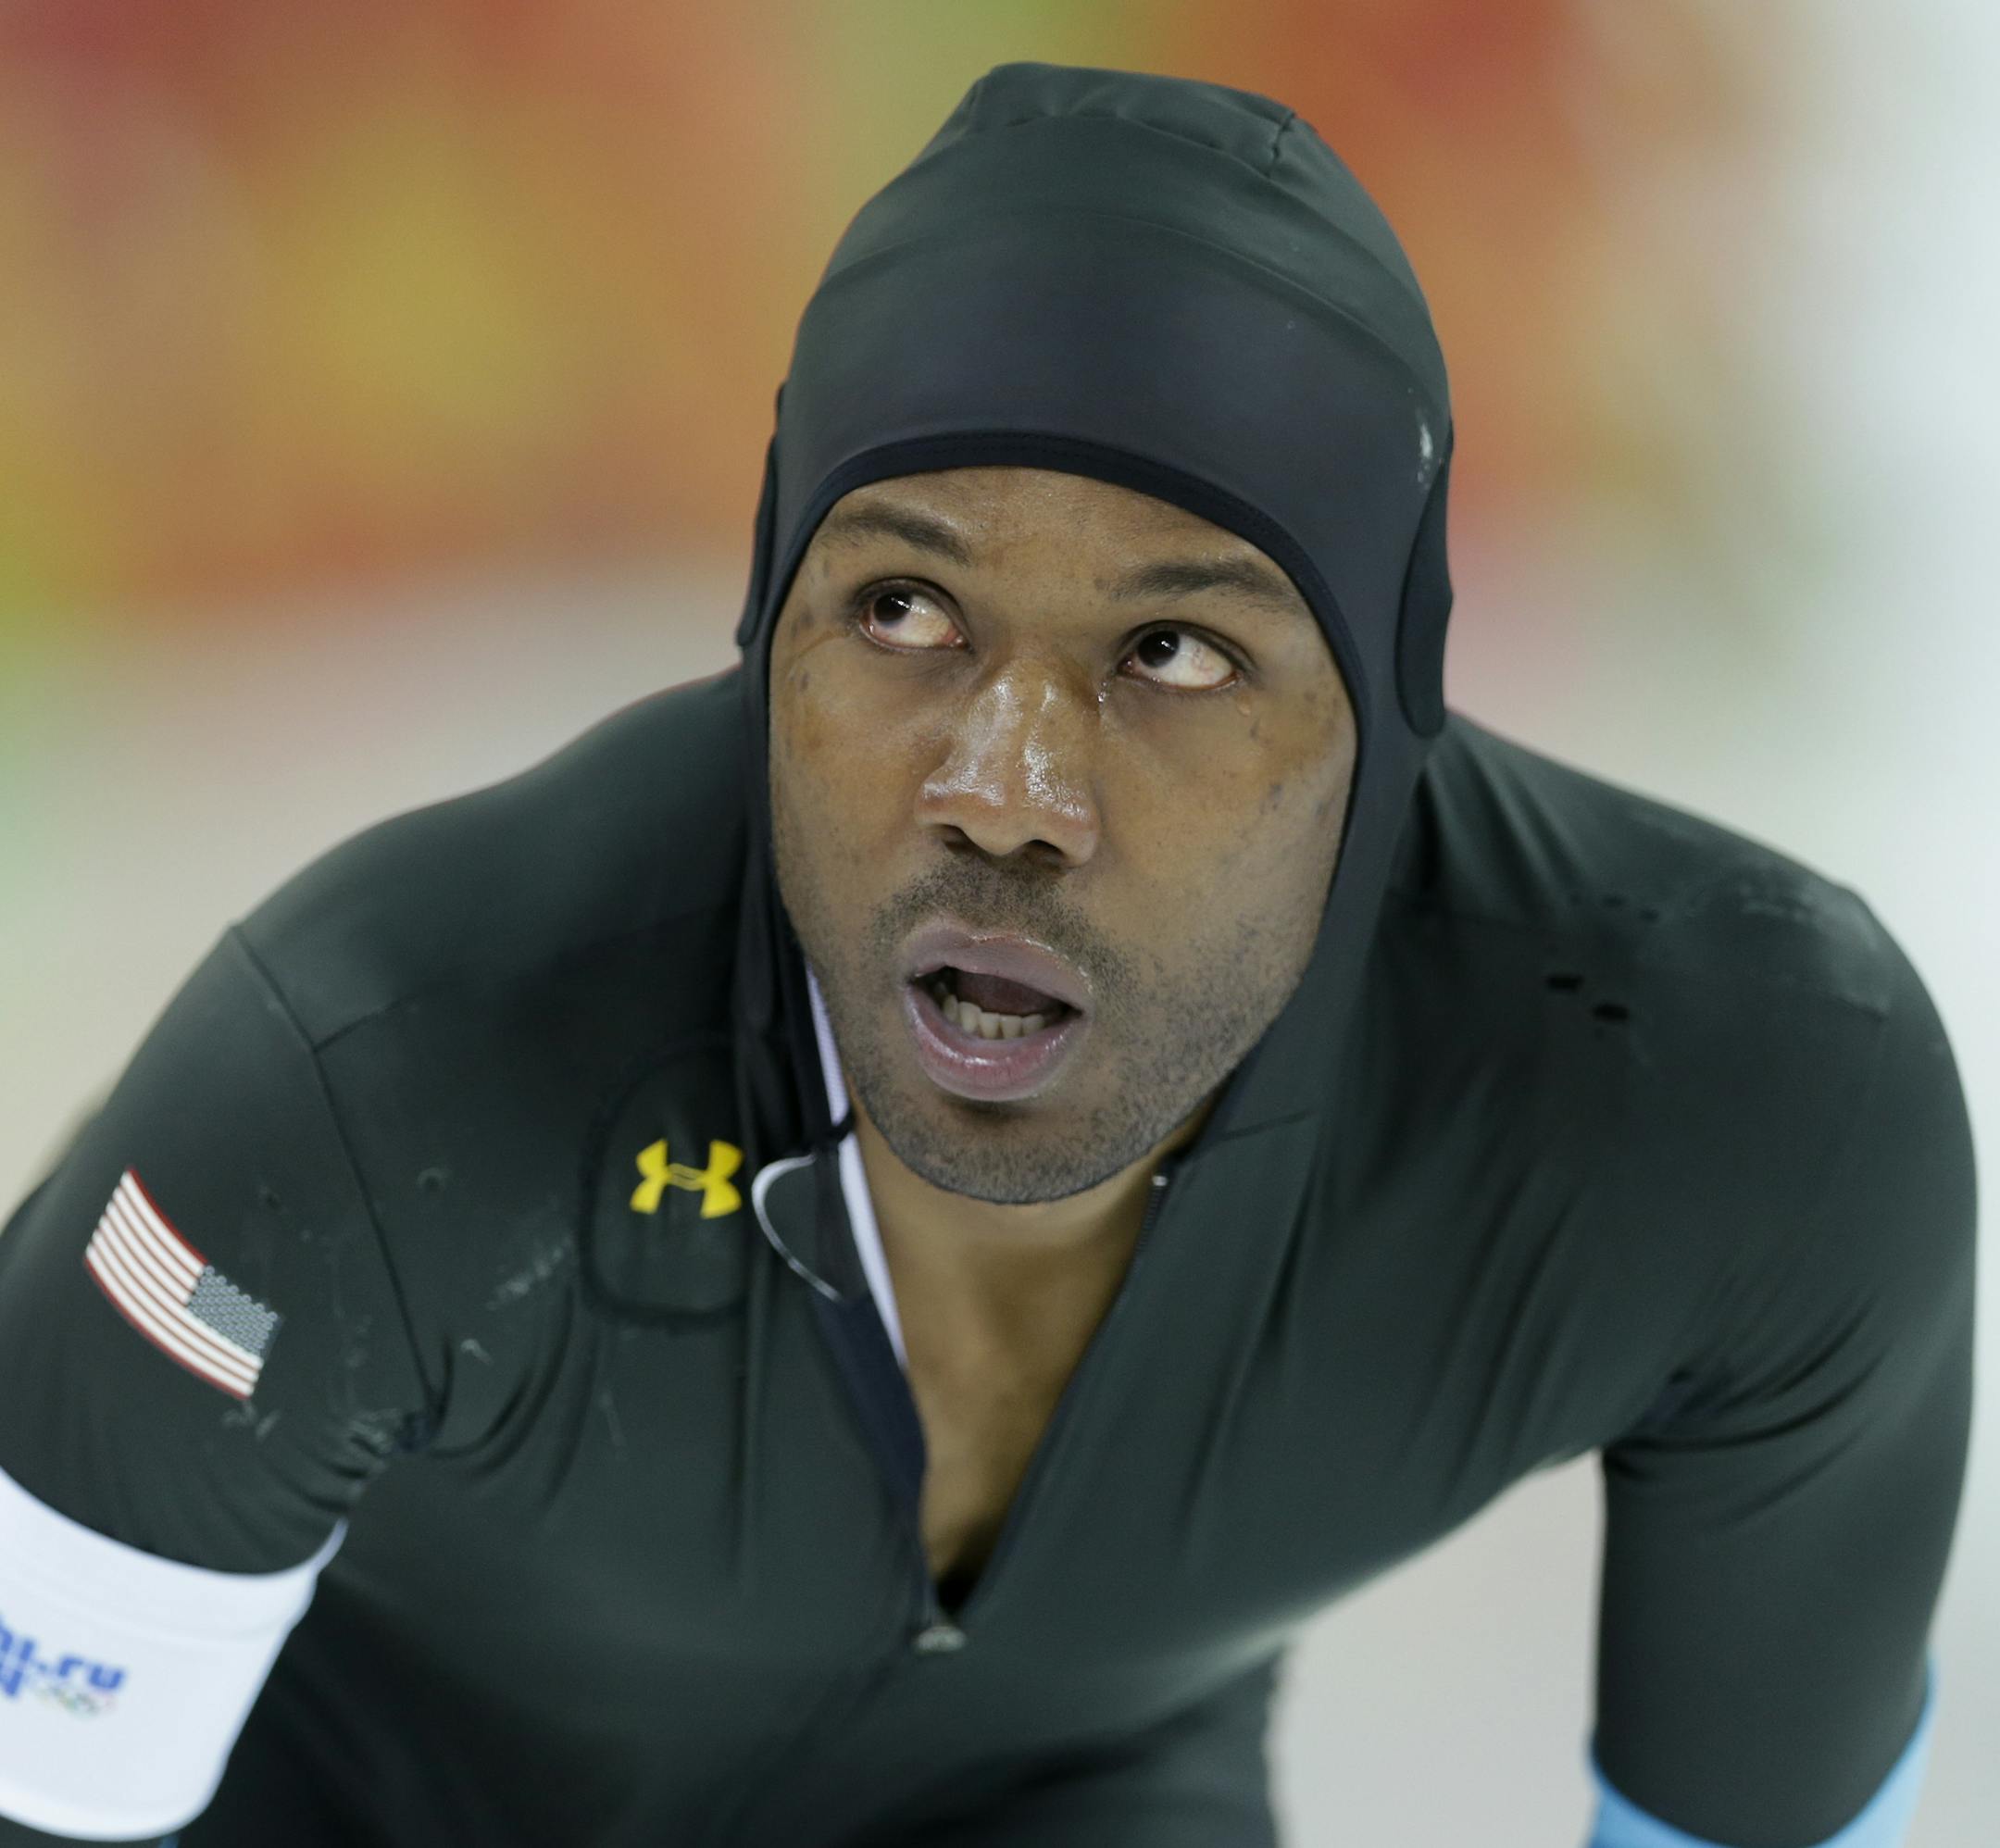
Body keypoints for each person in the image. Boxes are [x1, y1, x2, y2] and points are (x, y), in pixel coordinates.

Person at [0, 60, 1975, 1848]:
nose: (1007, 791)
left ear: (1394, 716)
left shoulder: (1741, 1106)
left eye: (1174, 651)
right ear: (767, 631)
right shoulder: (365, 1088)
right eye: (904, 609)